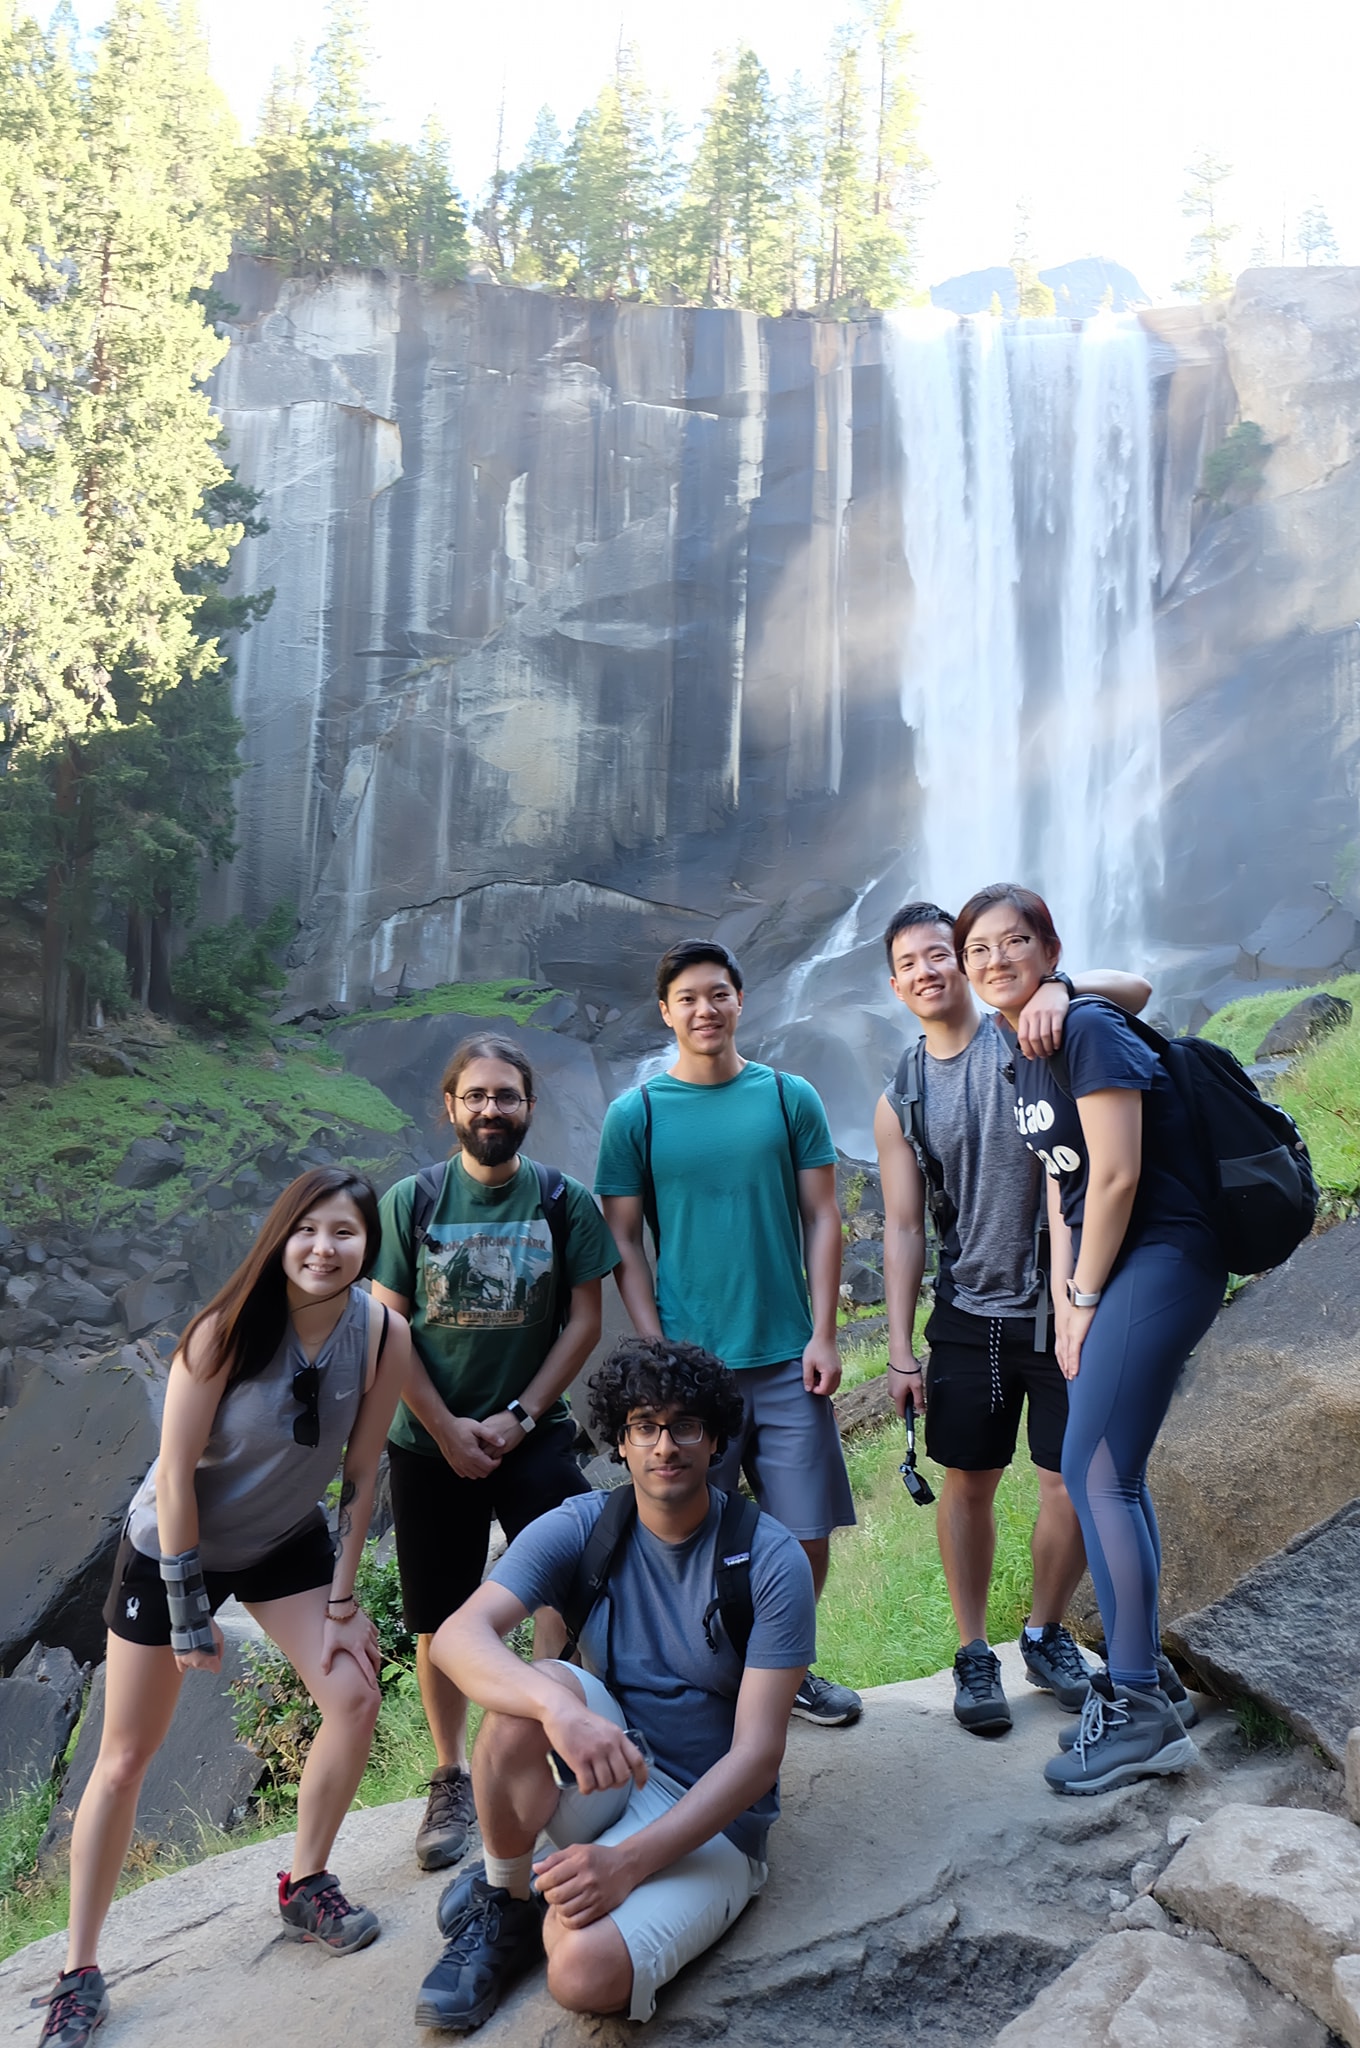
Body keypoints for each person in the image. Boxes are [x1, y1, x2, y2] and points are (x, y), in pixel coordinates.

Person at [35, 1167, 410, 2048]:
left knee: (354, 1695)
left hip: (282, 1538)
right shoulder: (223, 1331)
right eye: (307, 1229)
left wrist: (346, 1600)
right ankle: (77, 1974)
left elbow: (363, 1473)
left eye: (345, 1232)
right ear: (280, 1237)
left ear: (368, 1245)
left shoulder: (382, 1333)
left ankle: (305, 1884)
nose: (324, 1248)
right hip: (174, 1547)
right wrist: (189, 1610)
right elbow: (173, 1477)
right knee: (126, 1757)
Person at [412, 1336, 816, 2033]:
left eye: (686, 1426)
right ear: (620, 1444)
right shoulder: (583, 1526)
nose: (665, 1445)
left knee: (581, 1972)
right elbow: (456, 1638)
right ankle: (509, 1900)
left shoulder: (769, 1558)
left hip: (711, 1819)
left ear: (716, 1439)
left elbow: (756, 1758)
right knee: (528, 1697)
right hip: (612, 1770)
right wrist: (557, 1709)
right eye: (644, 1426)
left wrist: (625, 1864)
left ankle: (552, 1879)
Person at [954, 883, 1225, 1794]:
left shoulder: (1085, 1028)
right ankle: (1153, 1690)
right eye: (978, 949)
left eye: (1014, 942)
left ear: (1050, 949)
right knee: (1115, 1473)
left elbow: (1115, 1176)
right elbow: (1061, 1184)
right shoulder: (1019, 1048)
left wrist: (1084, 1291)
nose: (996, 960)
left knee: (1093, 1470)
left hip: (1163, 1254)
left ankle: (1140, 1706)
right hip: (1114, 1268)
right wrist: (1069, 1304)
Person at [875, 902, 1153, 1737]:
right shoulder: (903, 1094)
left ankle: (1044, 1631)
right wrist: (898, 1350)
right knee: (969, 1479)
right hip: (967, 1310)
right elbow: (903, 1227)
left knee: (1070, 1479)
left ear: (964, 965)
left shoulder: (1030, 1028)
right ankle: (973, 1651)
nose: (928, 971)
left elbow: (1136, 990)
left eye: (940, 954)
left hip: (1060, 1304)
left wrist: (1059, 986)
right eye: (910, 963)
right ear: (896, 985)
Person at [595, 940, 860, 1727]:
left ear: (740, 1000)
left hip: (787, 1358)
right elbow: (623, 1242)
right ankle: (705, 1679)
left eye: (718, 994)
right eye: (687, 998)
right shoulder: (636, 1115)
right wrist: (656, 1351)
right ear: (666, 1011)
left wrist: (824, 1334)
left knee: (804, 1531)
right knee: (685, 1533)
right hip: (689, 1373)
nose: (704, 1009)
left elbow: (823, 1217)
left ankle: (784, 1670)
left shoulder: (787, 1097)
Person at [371, 1033, 619, 1871]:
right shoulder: (411, 1201)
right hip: (426, 1441)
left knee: (572, 1576)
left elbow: (584, 1321)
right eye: (475, 1095)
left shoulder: (562, 1201)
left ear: (528, 1107)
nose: (490, 1109)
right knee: (438, 1616)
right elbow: (388, 1329)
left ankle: (545, 1722)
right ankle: (450, 1775)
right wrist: (445, 1427)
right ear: (450, 1106)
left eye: (505, 1095)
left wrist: (520, 1414)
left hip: (531, 1433)